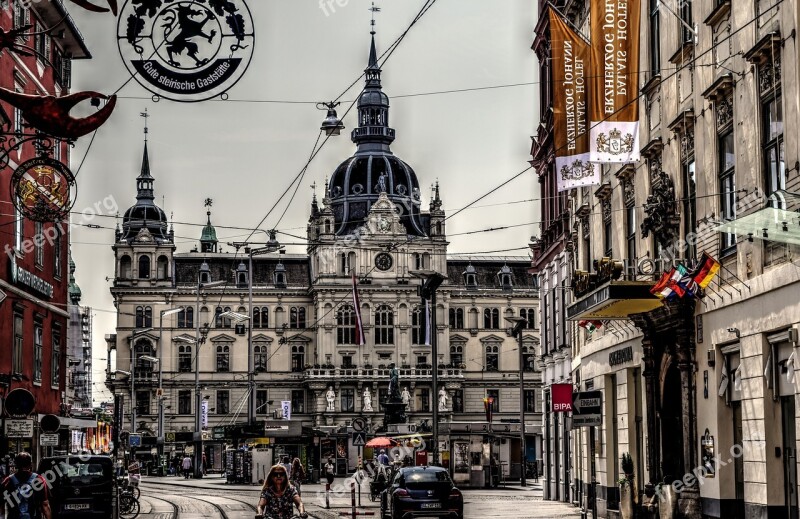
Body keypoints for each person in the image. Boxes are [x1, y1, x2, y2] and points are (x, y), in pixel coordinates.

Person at [1, 452, 51, 519]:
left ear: (16, 464)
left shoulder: (8, 481)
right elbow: (45, 505)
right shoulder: (39, 480)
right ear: (30, 464)